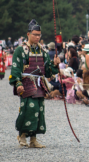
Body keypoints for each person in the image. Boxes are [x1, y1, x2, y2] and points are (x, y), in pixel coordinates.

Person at [10, 19, 60, 148]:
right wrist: (17, 83)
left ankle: (33, 139)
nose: (37, 37)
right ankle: (22, 136)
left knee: (39, 110)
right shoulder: (20, 50)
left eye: (39, 35)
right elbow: (16, 68)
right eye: (35, 34)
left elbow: (48, 71)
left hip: (39, 84)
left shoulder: (43, 51)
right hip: (26, 83)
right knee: (27, 109)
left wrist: (54, 64)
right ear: (28, 34)